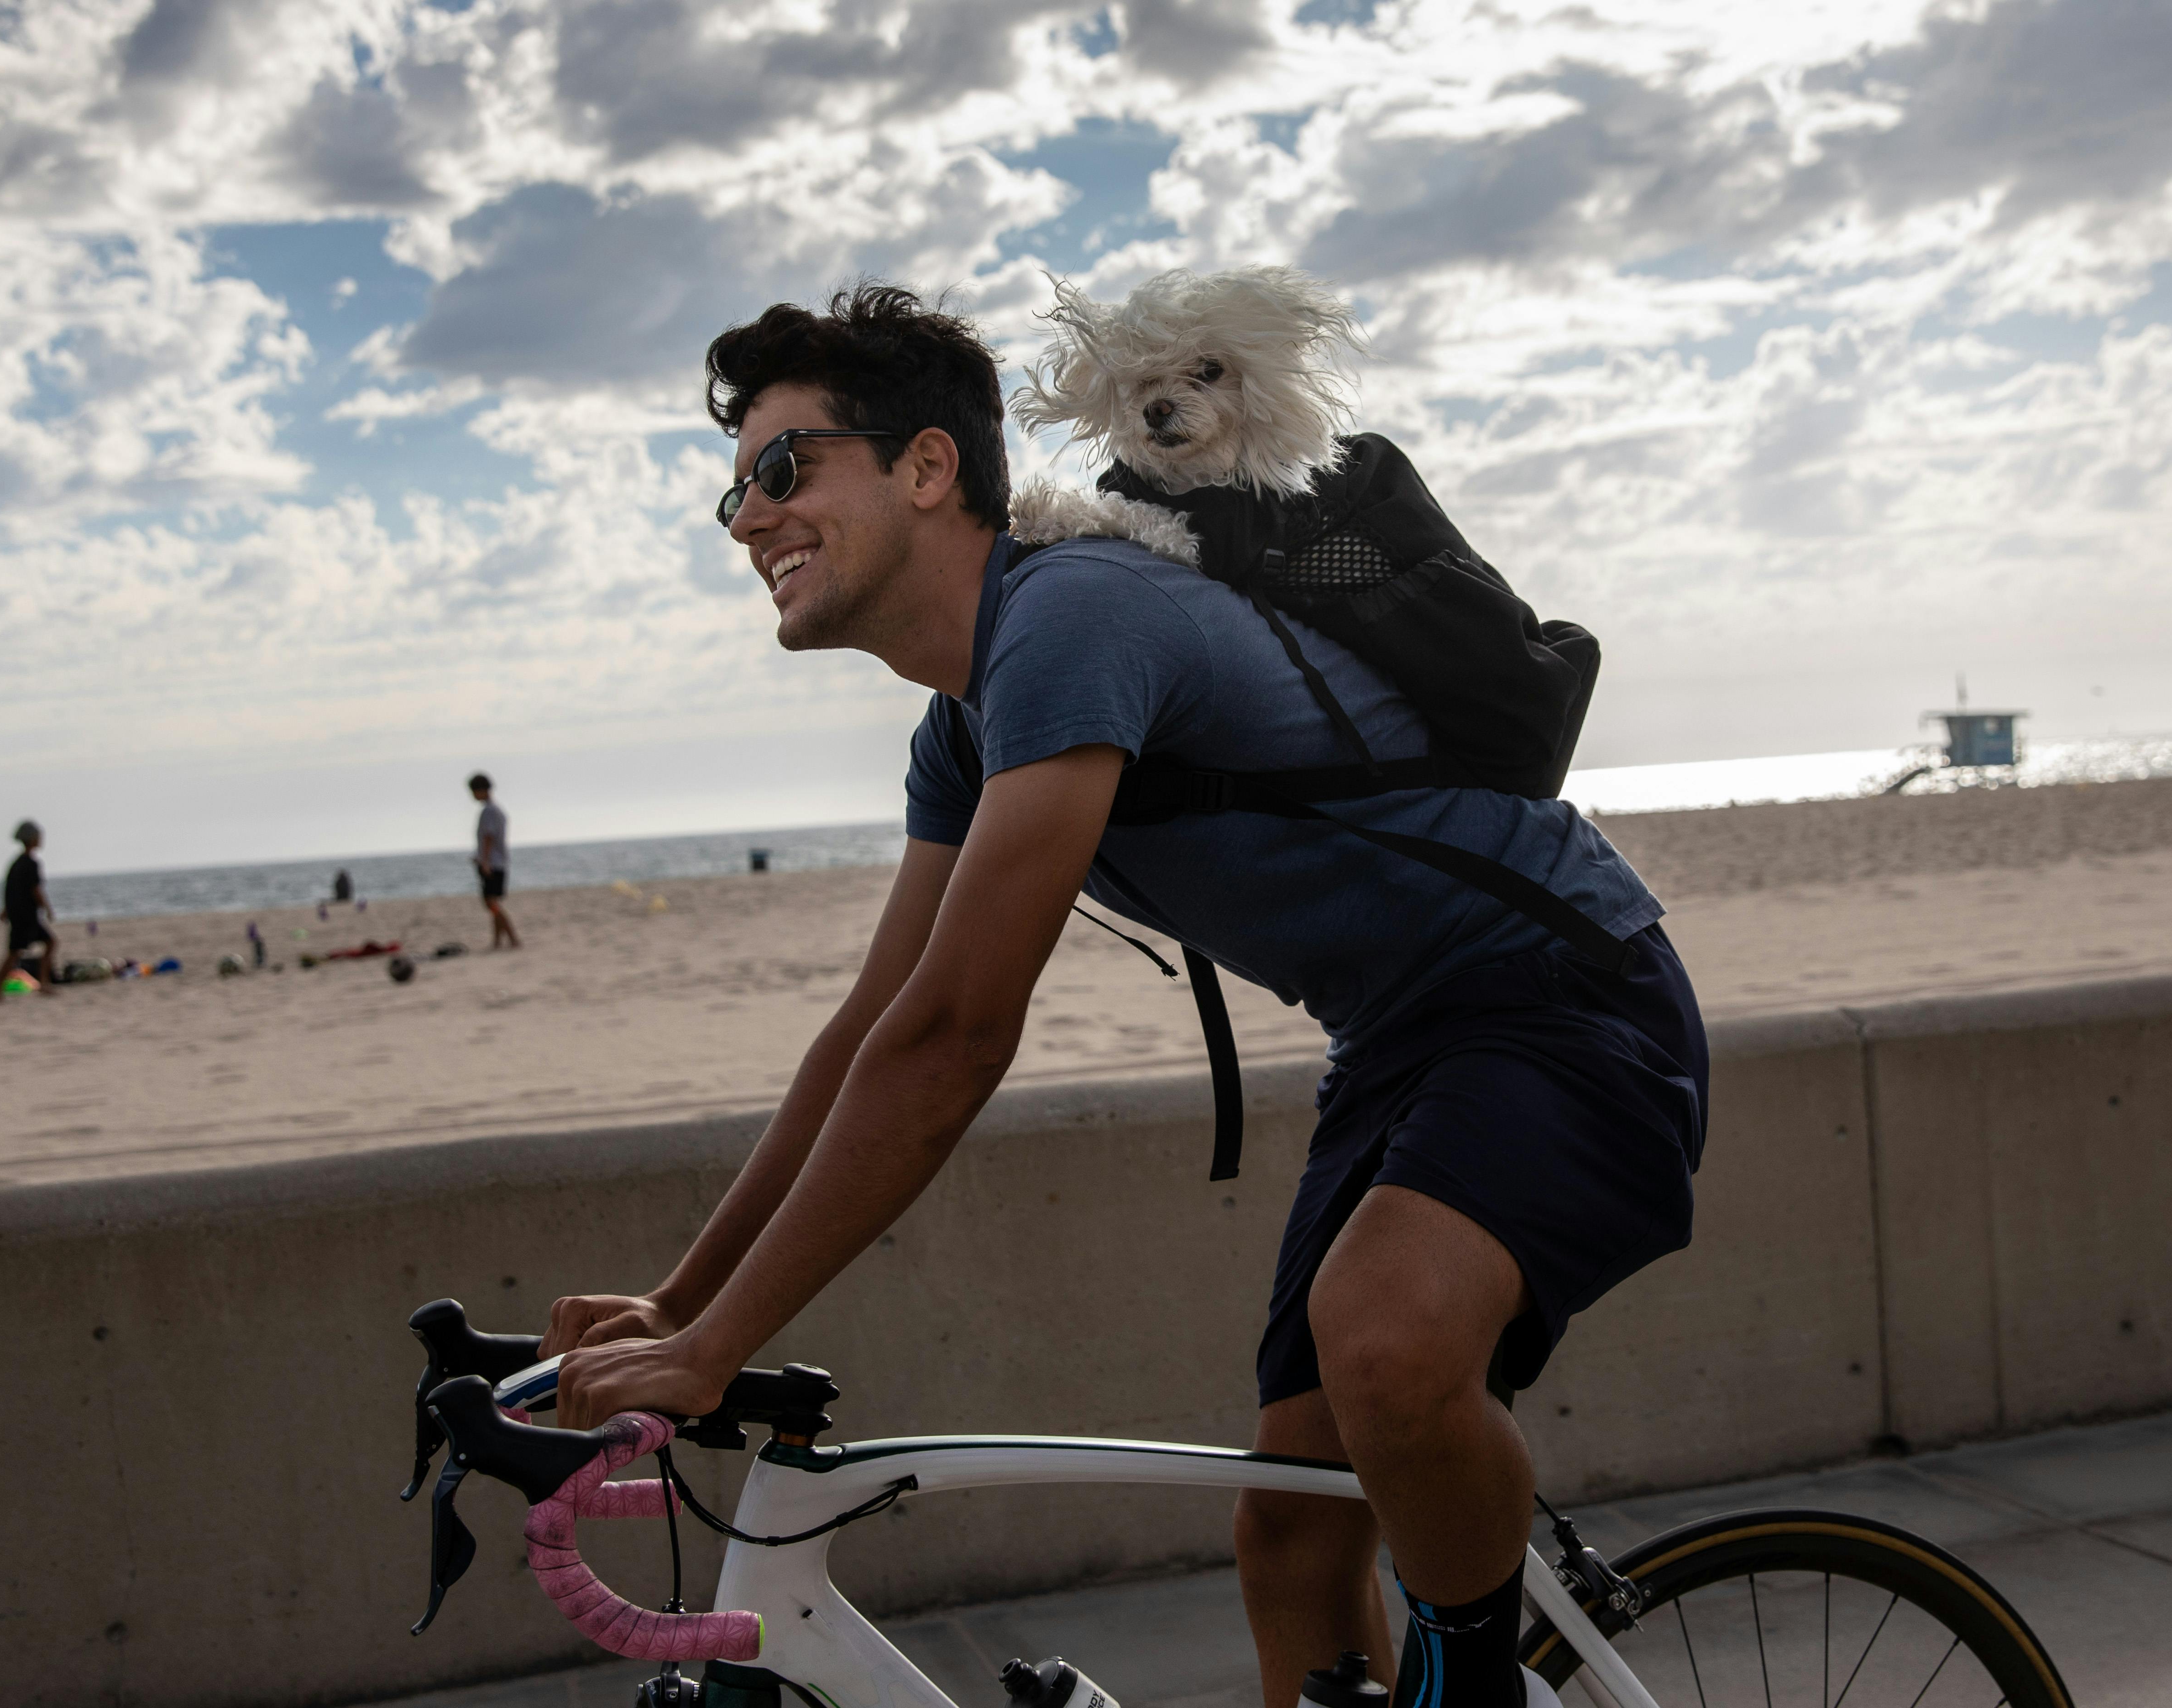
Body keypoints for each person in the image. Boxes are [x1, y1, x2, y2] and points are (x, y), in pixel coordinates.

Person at [535, 287, 1706, 1708]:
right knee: (1288, 1530)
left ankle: (1466, 1691)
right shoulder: (961, 726)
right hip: (1399, 1042)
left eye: (783, 467)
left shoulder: (1075, 612)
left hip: (1564, 992)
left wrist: (715, 1347)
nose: (749, 516)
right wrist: (676, 1300)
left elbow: (956, 1033)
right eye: (731, 494)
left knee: (1389, 1342)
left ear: (924, 467)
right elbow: (867, 1029)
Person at [0, 820, 58, 1001]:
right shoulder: (31, 863)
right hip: (26, 917)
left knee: (48, 944)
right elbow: (35, 890)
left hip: (21, 916)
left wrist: (5, 910)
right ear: (32, 839)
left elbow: (11, 889)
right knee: (15, 953)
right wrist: (47, 908)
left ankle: (43, 983)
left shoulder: (16, 863)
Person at [469, 774, 520, 950]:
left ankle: (513, 938)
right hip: (497, 862)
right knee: (493, 904)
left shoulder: (490, 811)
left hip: (493, 863)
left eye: (474, 792)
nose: (473, 796)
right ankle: (498, 941)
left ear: (481, 790)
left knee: (492, 903)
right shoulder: (496, 810)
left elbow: (489, 837)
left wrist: (485, 862)